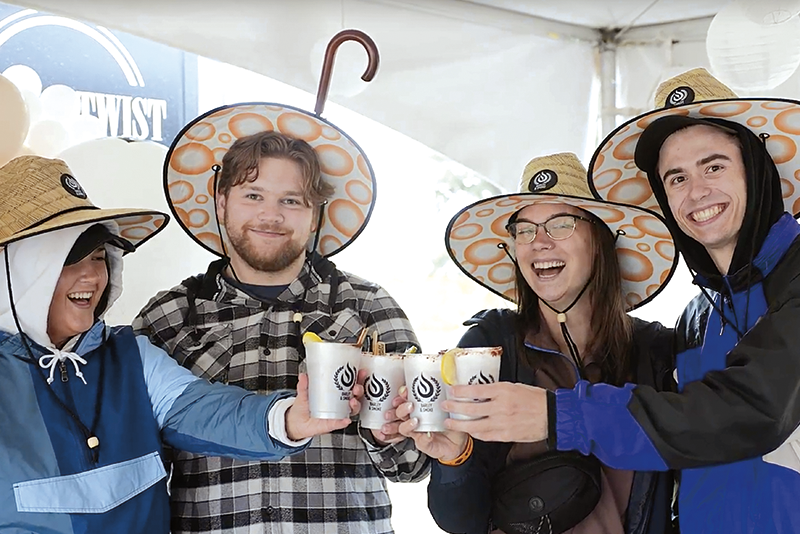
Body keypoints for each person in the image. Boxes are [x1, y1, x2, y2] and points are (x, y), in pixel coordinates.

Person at [448, 68, 800, 533]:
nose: (696, 191)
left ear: (754, 168)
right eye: (675, 178)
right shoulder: (695, 319)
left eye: (713, 166)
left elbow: (753, 411)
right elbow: (687, 467)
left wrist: (556, 415)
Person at [0, 155, 362, 533]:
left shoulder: (131, 357)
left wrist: (290, 419)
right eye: (69, 260)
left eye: (98, 257)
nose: (93, 274)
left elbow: (205, 410)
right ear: (18, 270)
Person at [134, 105, 428, 534]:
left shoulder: (367, 306)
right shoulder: (168, 318)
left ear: (314, 217)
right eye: (253, 196)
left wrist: (388, 431)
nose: (270, 216)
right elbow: (135, 467)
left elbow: (414, 467)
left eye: (291, 201)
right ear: (221, 202)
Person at [398, 153, 679, 534]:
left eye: (560, 225)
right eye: (525, 231)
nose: (539, 242)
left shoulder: (657, 350)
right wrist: (454, 459)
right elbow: (460, 520)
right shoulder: (490, 345)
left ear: (599, 239)